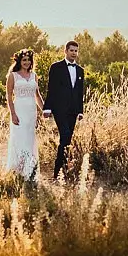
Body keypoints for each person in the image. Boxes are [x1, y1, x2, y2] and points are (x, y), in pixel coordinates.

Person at [42, 40, 85, 181]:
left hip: (73, 111)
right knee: (65, 135)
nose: (74, 53)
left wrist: (80, 111)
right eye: (71, 50)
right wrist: (47, 107)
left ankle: (63, 171)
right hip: (59, 109)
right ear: (65, 51)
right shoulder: (56, 67)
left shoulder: (80, 71)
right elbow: (51, 88)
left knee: (67, 140)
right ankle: (57, 171)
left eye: (76, 51)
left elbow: (79, 92)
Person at [4, 48, 44, 182]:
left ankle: (29, 170)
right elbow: (9, 96)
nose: (26, 62)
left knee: (29, 139)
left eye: (28, 60)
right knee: (19, 138)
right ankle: (18, 170)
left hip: (31, 111)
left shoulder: (34, 75)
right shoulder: (13, 75)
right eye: (24, 60)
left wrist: (44, 110)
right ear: (19, 61)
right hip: (19, 109)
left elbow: (37, 95)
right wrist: (13, 114)